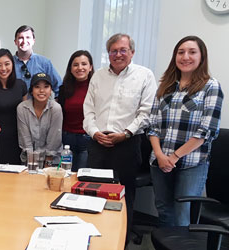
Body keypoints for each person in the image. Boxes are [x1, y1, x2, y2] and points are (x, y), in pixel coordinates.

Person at [83, 33, 157, 239]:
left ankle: (119, 240)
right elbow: (88, 110)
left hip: (127, 144)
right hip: (98, 143)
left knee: (124, 196)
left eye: (123, 50)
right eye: (113, 51)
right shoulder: (98, 76)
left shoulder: (144, 76)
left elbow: (146, 112)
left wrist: (125, 134)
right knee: (93, 193)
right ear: (108, 54)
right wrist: (95, 132)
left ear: (132, 52)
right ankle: (96, 238)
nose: (118, 54)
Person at [148, 36, 224, 227]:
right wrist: (159, 155)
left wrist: (173, 157)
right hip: (159, 161)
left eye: (192, 52)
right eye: (181, 52)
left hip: (192, 163)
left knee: (183, 215)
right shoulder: (165, 86)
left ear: (201, 57)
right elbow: (153, 125)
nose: (185, 57)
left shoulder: (210, 86)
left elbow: (207, 131)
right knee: (163, 210)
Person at [0, 49, 28, 164]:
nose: (3, 69)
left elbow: (26, 112)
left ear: (12, 64)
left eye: (7, 64)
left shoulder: (21, 85)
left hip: (19, 136)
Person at [58, 50, 94, 171]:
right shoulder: (63, 89)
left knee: (82, 177)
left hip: (88, 139)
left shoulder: (96, 88)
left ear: (90, 67)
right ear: (71, 68)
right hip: (67, 139)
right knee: (66, 175)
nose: (80, 68)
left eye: (84, 64)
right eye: (75, 64)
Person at [17, 72, 62, 162]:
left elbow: (54, 139)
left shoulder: (56, 108)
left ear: (51, 90)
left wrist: (48, 162)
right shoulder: (22, 108)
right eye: (37, 87)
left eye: (46, 87)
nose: (42, 91)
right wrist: (31, 164)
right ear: (31, 90)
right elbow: (25, 139)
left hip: (52, 160)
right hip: (29, 160)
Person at [12, 25, 62, 97]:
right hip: (14, 107)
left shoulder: (44, 63)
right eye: (20, 38)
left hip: (39, 107)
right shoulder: (9, 64)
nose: (24, 41)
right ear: (15, 42)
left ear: (33, 41)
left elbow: (59, 87)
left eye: (28, 37)